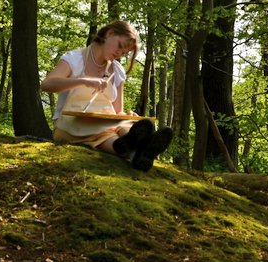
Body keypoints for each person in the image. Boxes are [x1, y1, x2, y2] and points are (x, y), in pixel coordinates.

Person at [39, 20, 173, 171]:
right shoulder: (74, 59)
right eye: (120, 46)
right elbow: (46, 84)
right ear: (109, 34)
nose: (119, 54)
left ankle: (138, 152)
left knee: (123, 127)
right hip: (69, 125)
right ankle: (139, 149)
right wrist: (83, 81)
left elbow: (117, 111)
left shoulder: (117, 70)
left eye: (124, 53)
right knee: (106, 137)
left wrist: (127, 116)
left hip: (105, 126)